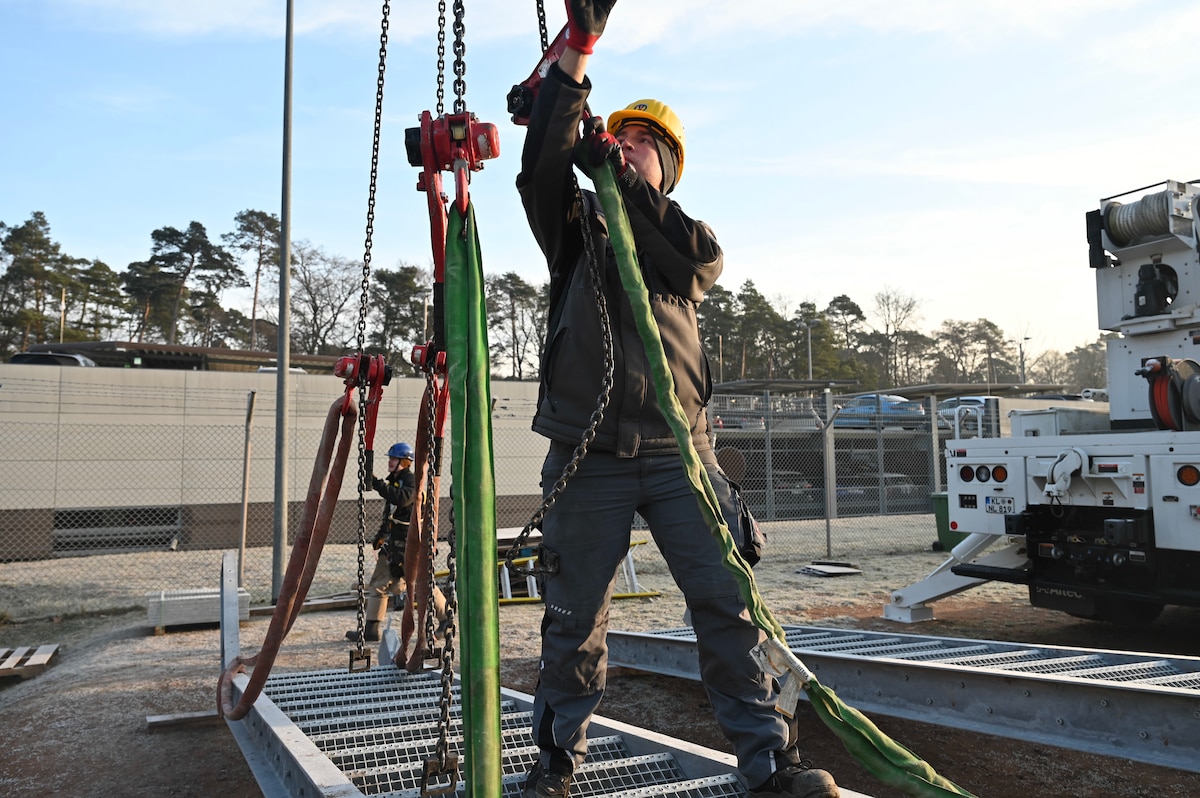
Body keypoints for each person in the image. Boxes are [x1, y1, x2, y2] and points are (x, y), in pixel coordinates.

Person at [514, 2, 840, 797]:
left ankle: (769, 763)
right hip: (588, 457)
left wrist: (620, 176)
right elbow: (540, 170)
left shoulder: (681, 239)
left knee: (729, 606)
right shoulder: (573, 230)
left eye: (641, 146)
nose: (625, 149)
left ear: (666, 167)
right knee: (573, 618)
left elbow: (697, 265)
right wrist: (573, 68)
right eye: (618, 138)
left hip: (680, 456)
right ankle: (557, 760)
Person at [345, 441, 445, 642]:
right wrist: (382, 534)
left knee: (421, 583)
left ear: (406, 462)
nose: (390, 462)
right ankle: (371, 628)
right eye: (390, 458)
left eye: (394, 459)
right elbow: (391, 513)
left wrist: (378, 484)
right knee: (379, 584)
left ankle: (445, 619)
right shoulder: (396, 481)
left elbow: (404, 499)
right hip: (394, 544)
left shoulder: (412, 481)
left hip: (410, 546)